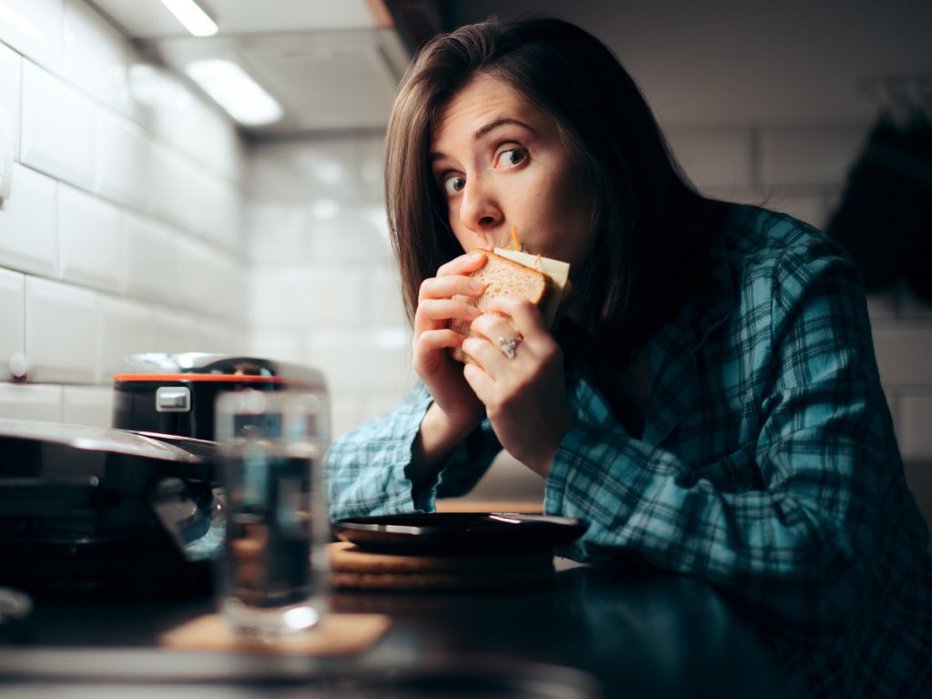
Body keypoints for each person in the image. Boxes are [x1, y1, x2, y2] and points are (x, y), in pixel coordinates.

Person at [325, 16, 932, 697]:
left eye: (511, 153)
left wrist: (561, 446)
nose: (477, 212)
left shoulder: (790, 277)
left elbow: (827, 567)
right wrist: (448, 415)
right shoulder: (535, 314)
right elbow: (309, 501)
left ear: (602, 148)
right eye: (451, 179)